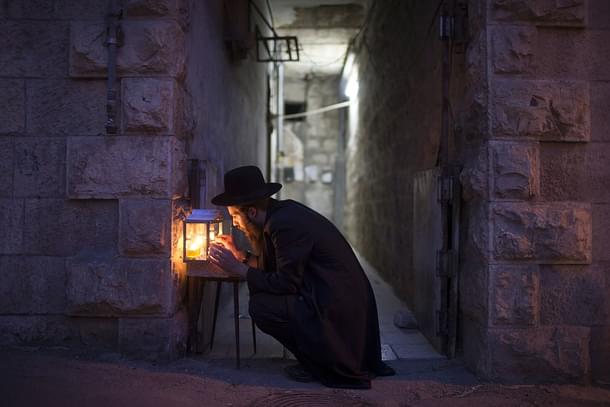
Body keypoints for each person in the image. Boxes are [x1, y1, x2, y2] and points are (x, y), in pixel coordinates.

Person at [208, 165, 395, 389]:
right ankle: (315, 358)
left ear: (252, 212)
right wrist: (241, 256)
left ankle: (319, 364)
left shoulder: (283, 225)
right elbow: (278, 267)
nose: (235, 225)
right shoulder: (280, 214)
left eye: (235, 217)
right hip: (331, 296)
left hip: (338, 308)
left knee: (261, 307)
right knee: (263, 298)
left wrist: (239, 270)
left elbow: (286, 283)